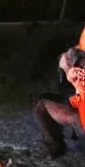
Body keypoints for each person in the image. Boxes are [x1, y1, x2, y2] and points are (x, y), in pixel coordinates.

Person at [34, 27, 85, 157]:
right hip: (77, 109)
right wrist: (70, 75)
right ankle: (56, 147)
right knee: (42, 104)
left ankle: (57, 147)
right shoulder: (74, 58)